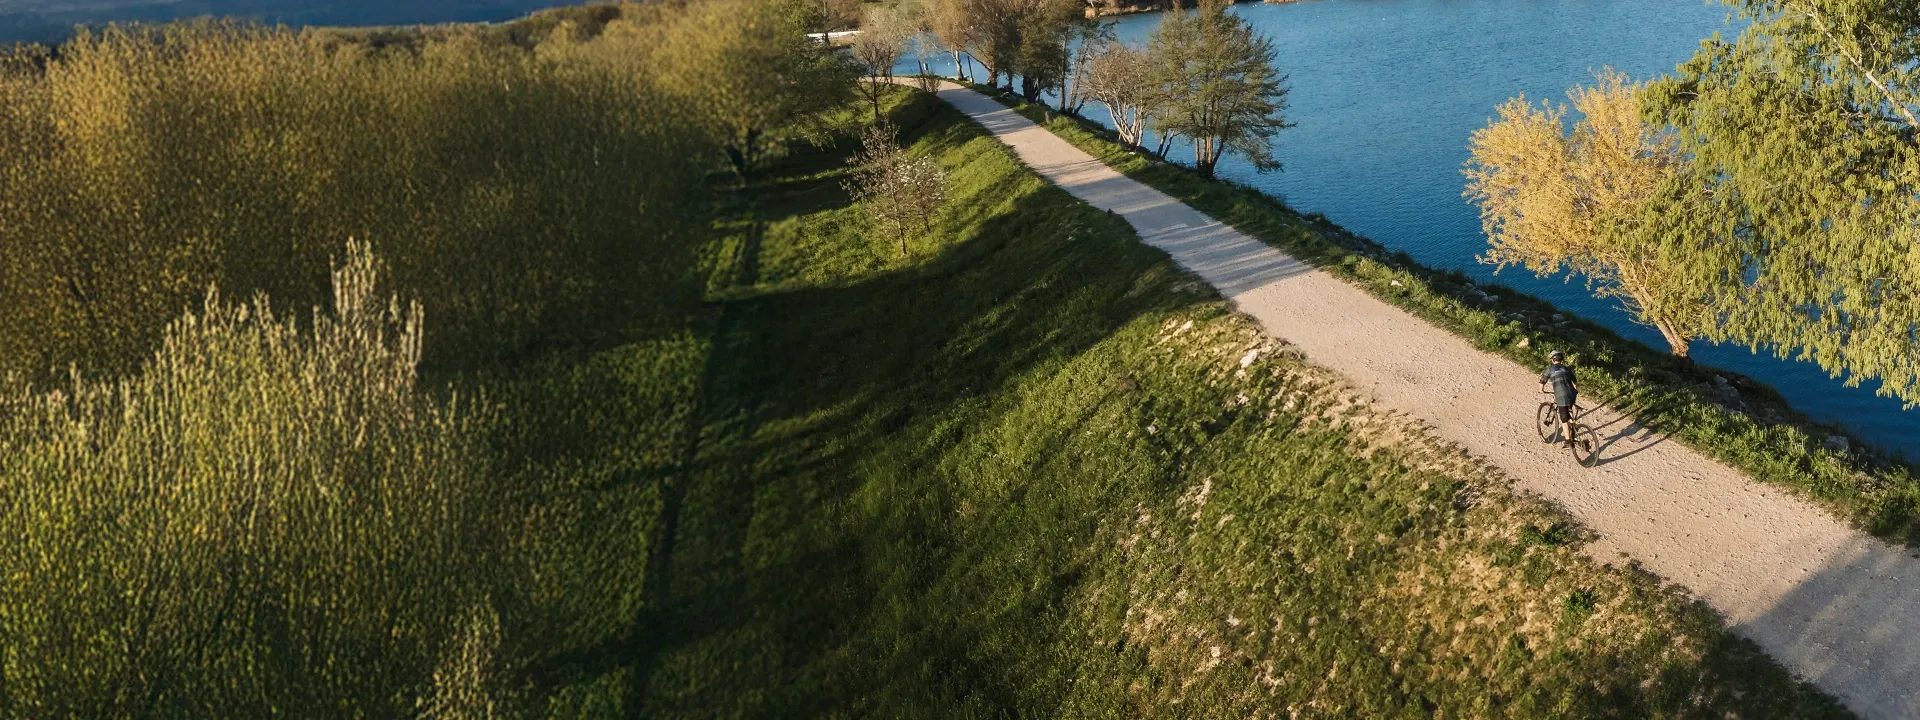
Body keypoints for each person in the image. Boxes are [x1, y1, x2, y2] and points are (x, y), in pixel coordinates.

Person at [1539, 350, 1578, 446]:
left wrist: (1541, 390)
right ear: (1561, 360)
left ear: (1553, 359)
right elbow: (1575, 384)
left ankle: (1568, 441)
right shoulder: (1567, 369)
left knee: (1564, 419)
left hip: (1560, 395)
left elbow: (1542, 382)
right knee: (1569, 409)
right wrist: (1574, 392)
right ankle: (1573, 425)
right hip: (1571, 394)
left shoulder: (1550, 369)